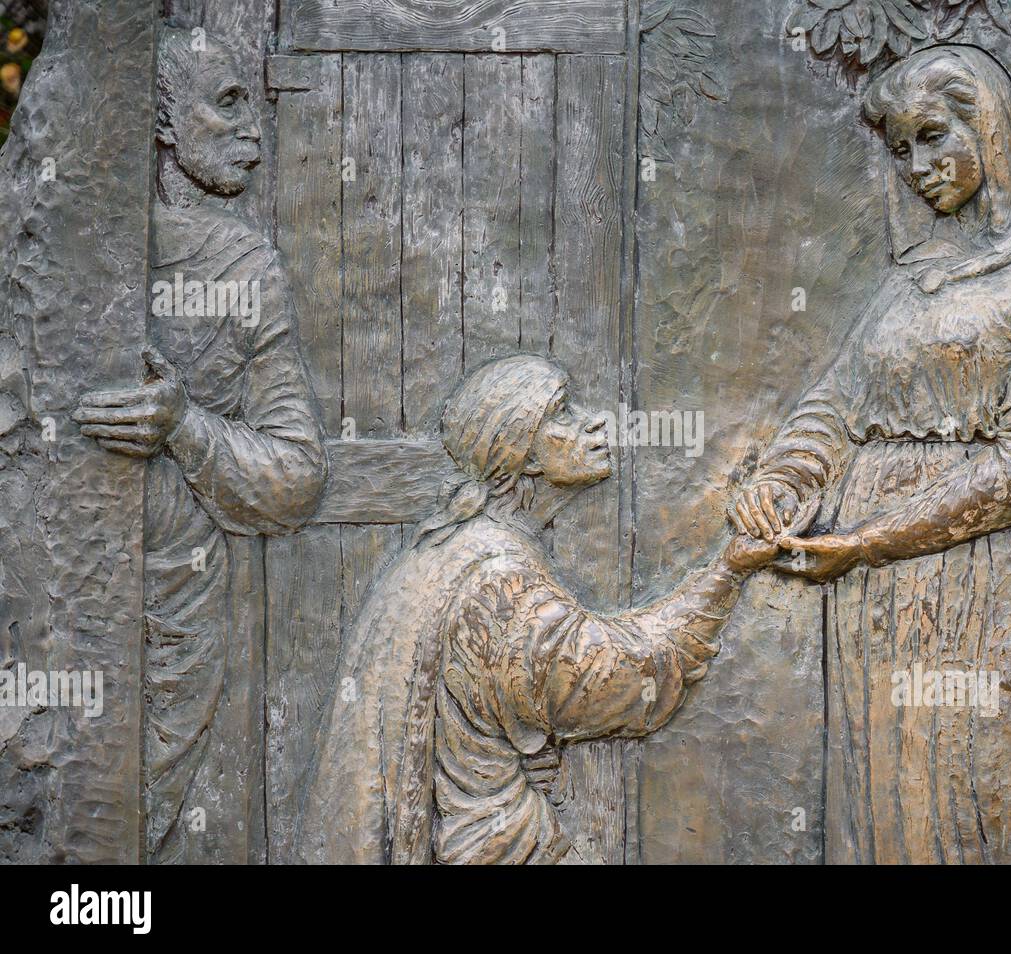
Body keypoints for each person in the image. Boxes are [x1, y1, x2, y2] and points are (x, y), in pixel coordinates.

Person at [734, 45, 1011, 863]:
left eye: (934, 137)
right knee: (887, 805)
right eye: (900, 149)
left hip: (975, 581)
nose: (916, 167)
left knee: (973, 794)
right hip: (874, 598)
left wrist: (869, 540)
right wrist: (783, 480)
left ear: (990, 129)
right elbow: (839, 402)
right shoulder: (915, 277)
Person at [296, 354, 776, 864]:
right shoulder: (499, 579)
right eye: (562, 412)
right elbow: (623, 679)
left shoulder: (451, 548)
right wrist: (728, 571)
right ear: (522, 453)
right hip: (489, 845)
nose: (593, 422)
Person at [71, 27, 326, 862]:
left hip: (184, 622)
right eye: (227, 102)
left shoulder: (247, 268)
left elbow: (295, 476)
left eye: (254, 99)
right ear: (163, 120)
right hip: (56, 599)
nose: (256, 127)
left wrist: (184, 425)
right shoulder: (67, 250)